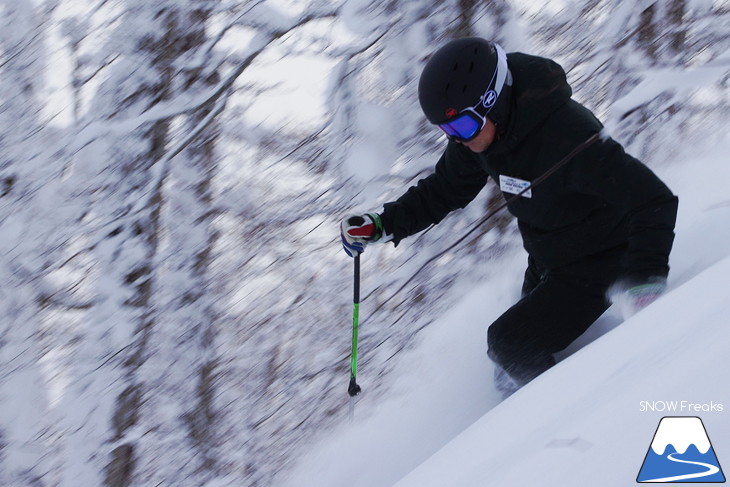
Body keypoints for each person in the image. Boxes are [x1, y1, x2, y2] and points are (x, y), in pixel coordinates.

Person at [339, 37, 678, 397]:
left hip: (602, 260)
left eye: (462, 128)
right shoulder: (482, 137)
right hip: (551, 258)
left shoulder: (569, 136)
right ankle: (517, 426)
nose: (457, 140)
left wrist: (645, 279)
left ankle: (569, 415)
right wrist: (382, 224)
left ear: (493, 102)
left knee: (509, 344)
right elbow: (443, 189)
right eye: (447, 132)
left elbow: (652, 198)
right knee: (507, 365)